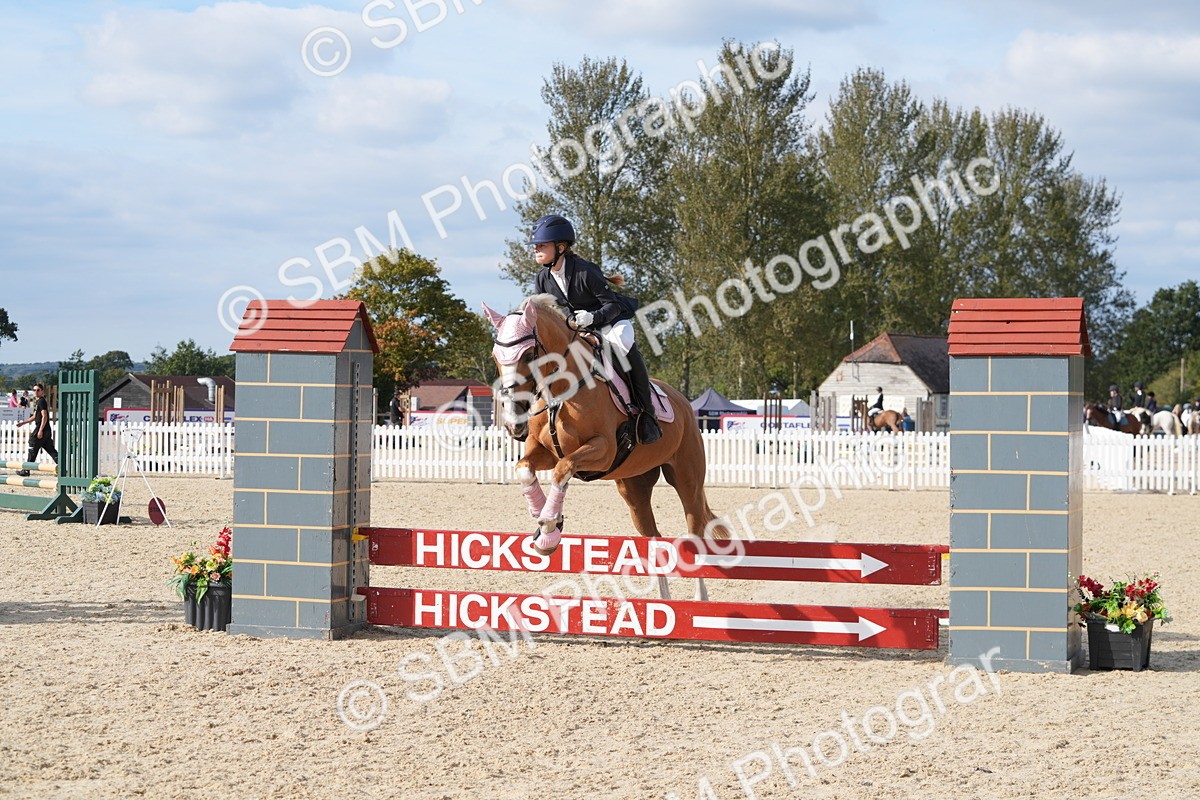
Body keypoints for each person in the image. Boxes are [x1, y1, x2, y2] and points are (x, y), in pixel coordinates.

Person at [528, 213, 661, 444]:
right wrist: (570, 322)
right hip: (577, 328)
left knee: (622, 346)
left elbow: (613, 305)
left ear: (560, 247)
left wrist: (592, 317)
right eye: (536, 245)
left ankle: (646, 412)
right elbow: (553, 312)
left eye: (542, 245)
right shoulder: (543, 278)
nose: (536, 249)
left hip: (611, 322)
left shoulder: (585, 271)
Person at [15, 383, 57, 475]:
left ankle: (26, 470)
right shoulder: (37, 401)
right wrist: (23, 422)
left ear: (42, 391)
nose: (36, 392)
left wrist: (41, 430)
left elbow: (45, 416)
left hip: (42, 428)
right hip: (45, 430)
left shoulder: (41, 401)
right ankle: (64, 468)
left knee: (32, 443)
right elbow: (34, 416)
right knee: (50, 449)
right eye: (34, 390)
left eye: (38, 390)